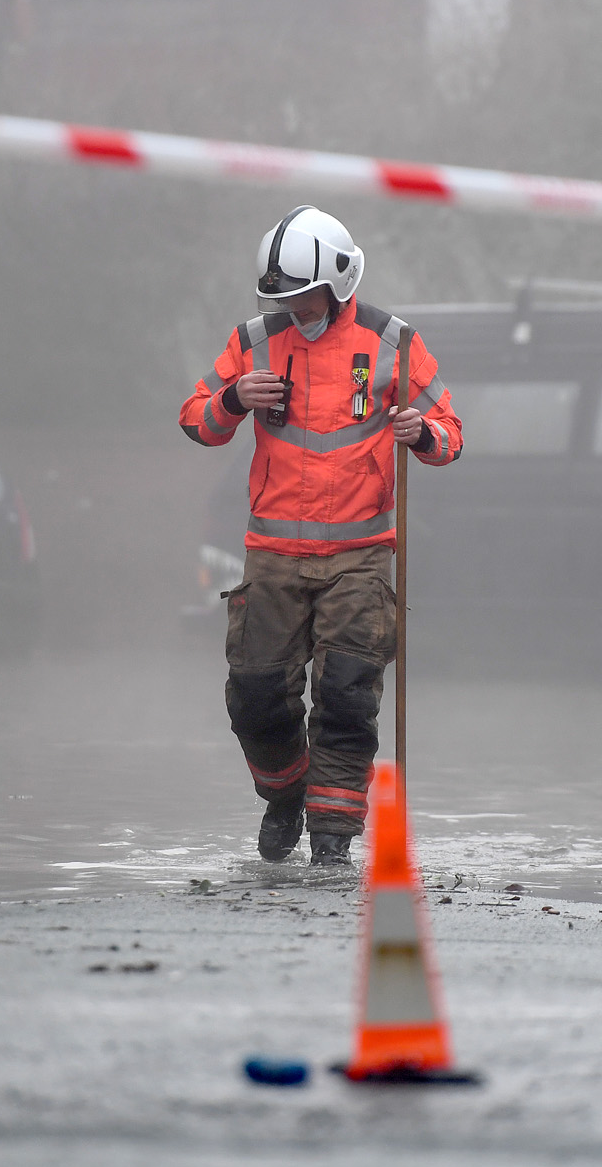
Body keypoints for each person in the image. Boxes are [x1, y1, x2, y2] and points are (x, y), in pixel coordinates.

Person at [180, 206, 463, 865]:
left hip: (361, 556)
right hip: (273, 555)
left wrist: (422, 434)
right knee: (254, 694)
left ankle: (333, 840)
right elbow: (196, 419)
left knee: (346, 692)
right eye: (281, 296)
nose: (294, 307)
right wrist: (232, 399)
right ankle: (285, 794)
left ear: (338, 281)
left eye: (304, 294)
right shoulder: (252, 341)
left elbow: (451, 432)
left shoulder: (393, 342)